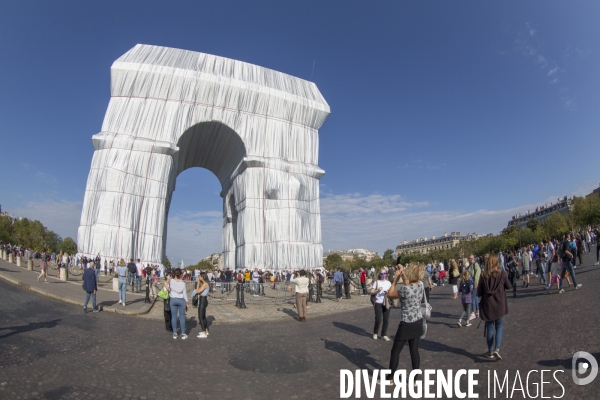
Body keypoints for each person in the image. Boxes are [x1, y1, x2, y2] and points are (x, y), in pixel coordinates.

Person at [385, 263, 425, 384]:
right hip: (418, 320)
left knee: (395, 351)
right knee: (414, 351)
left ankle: (390, 378)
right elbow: (409, 282)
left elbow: (390, 294)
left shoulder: (405, 289)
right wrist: (402, 272)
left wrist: (395, 280)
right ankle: (414, 379)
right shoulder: (421, 285)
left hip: (406, 323)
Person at [477, 255, 511, 360]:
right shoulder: (502, 273)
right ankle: (497, 349)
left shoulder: (483, 276)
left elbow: (479, 293)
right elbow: (509, 286)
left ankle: (490, 351)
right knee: (499, 327)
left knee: (490, 329)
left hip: (488, 306)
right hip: (499, 304)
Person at [371, 269, 392, 341]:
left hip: (386, 302)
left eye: (384, 273)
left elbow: (392, 292)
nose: (383, 275)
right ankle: (375, 332)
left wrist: (388, 292)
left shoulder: (389, 283)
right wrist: (377, 290)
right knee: (378, 319)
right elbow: (371, 292)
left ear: (386, 274)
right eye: (381, 273)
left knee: (386, 320)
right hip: (378, 302)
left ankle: (384, 334)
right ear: (379, 274)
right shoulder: (377, 282)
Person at [168, 268, 188, 339]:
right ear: (181, 275)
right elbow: (185, 294)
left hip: (173, 299)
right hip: (181, 300)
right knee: (182, 317)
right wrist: (187, 303)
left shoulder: (171, 281)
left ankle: (175, 333)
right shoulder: (183, 283)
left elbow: (167, 287)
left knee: (174, 317)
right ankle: (183, 333)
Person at [196, 272, 210, 338]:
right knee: (203, 316)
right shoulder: (205, 283)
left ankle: (204, 331)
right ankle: (206, 330)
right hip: (203, 299)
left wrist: (198, 283)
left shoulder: (204, 284)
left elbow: (198, 291)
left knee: (200, 316)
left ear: (202, 277)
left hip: (203, 299)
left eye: (200, 276)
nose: (199, 277)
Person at [468, 254, 481, 320]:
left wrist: (476, 283)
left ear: (474, 258)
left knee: (473, 298)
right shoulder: (470, 265)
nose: (470, 259)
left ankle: (473, 312)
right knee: (475, 298)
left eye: (471, 258)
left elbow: (478, 273)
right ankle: (478, 311)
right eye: (469, 258)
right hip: (472, 282)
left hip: (474, 283)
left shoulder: (475, 264)